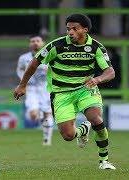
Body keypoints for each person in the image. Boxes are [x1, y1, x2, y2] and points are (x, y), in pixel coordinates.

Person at [14, 14, 116, 170]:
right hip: (61, 93)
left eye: (75, 29)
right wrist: (22, 85)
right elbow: (35, 62)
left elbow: (110, 72)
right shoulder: (56, 46)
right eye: (68, 29)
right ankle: (83, 130)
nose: (70, 32)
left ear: (85, 30)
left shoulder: (96, 47)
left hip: (86, 90)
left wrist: (97, 80)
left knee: (96, 119)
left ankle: (104, 160)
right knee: (68, 136)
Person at [16, 35, 54, 146]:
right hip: (31, 88)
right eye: (33, 41)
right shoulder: (24, 58)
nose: (35, 43)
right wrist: (23, 83)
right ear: (30, 44)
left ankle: (47, 139)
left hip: (45, 87)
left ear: (43, 43)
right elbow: (19, 70)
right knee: (33, 115)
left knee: (48, 113)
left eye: (38, 41)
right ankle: (41, 117)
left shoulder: (50, 57)